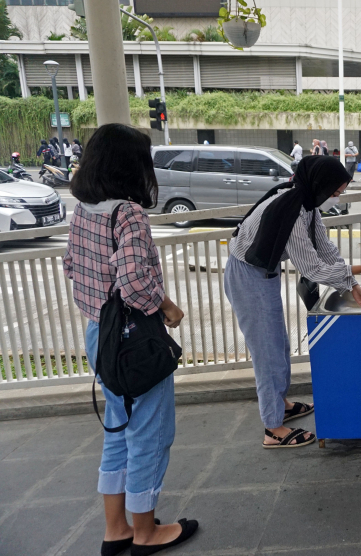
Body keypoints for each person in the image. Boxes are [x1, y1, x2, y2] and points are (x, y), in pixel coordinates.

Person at [63, 123, 198, 556]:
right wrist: (168, 306)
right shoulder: (129, 214)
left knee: (118, 428)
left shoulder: (83, 207)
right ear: (130, 166)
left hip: (97, 334)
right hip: (134, 340)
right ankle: (146, 531)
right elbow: (136, 284)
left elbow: (71, 267)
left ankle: (116, 528)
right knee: (150, 432)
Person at [224, 156, 361, 448]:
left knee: (279, 344)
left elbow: (326, 249)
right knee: (268, 351)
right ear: (320, 185)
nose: (335, 198)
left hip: (264, 272)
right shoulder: (290, 209)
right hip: (247, 275)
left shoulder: (305, 203)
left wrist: (352, 284)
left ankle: (281, 403)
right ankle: (272, 427)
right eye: (335, 192)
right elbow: (313, 269)